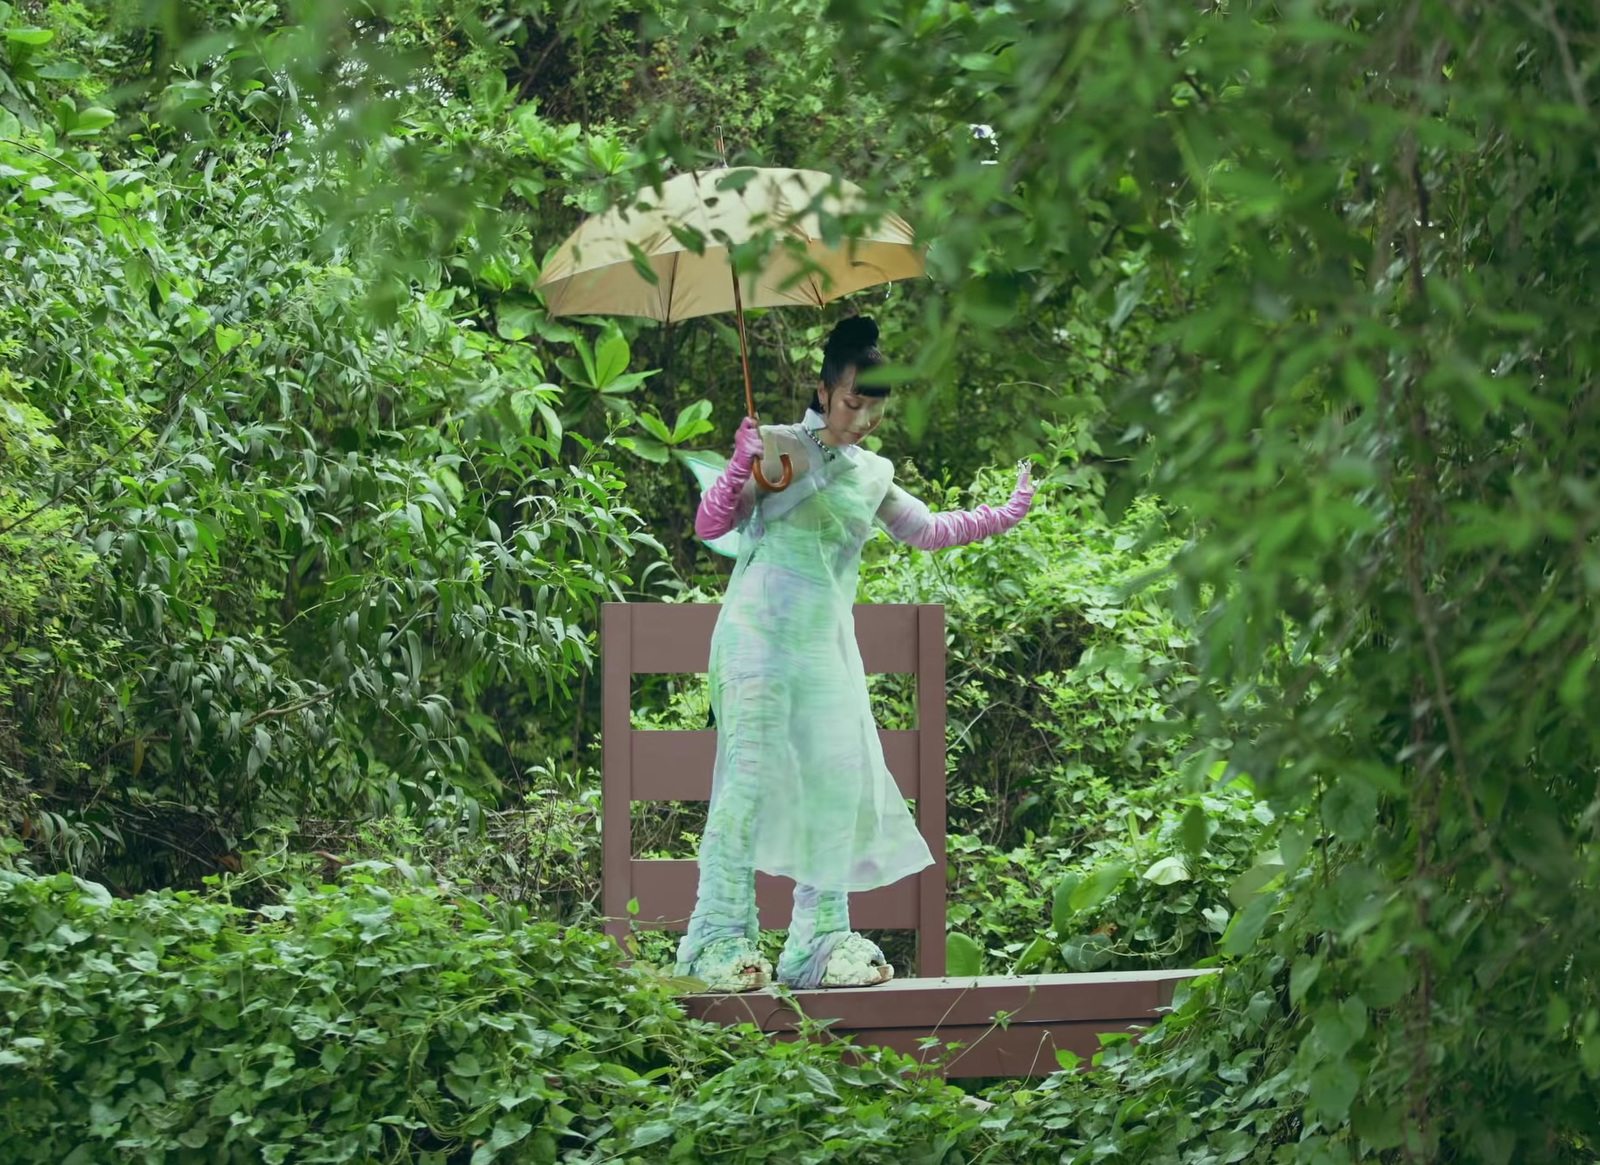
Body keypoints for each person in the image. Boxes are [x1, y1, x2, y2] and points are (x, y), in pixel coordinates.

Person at [677, 315, 1035, 991]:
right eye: (852, 402)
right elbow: (712, 525)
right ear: (824, 388)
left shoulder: (873, 474)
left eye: (875, 408)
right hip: (757, 630)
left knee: (837, 782)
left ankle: (817, 940)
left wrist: (1004, 512)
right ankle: (718, 936)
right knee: (748, 779)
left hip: (821, 643)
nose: (863, 419)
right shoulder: (781, 448)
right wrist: (737, 466)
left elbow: (928, 530)